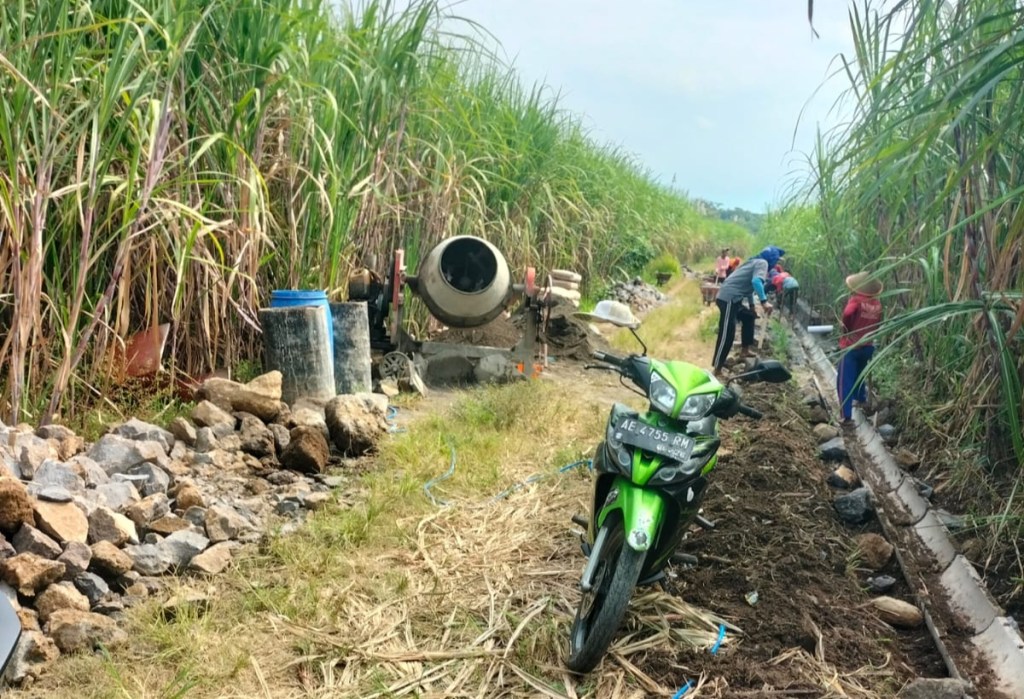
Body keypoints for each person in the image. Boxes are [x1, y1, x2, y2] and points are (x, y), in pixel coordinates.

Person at [711, 246, 784, 377]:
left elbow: (749, 287)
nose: (776, 263)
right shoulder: (763, 263)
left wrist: (751, 306)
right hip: (729, 298)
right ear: (772, 259)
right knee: (727, 333)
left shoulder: (754, 262)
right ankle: (717, 368)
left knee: (749, 317)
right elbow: (756, 282)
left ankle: (744, 351)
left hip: (734, 298)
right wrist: (764, 301)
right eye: (777, 260)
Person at [838, 271, 883, 426]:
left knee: (845, 381)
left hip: (851, 347)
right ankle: (861, 401)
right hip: (867, 346)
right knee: (860, 376)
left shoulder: (856, 300)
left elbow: (847, 313)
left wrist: (846, 328)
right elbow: (878, 325)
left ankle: (846, 416)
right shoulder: (877, 304)